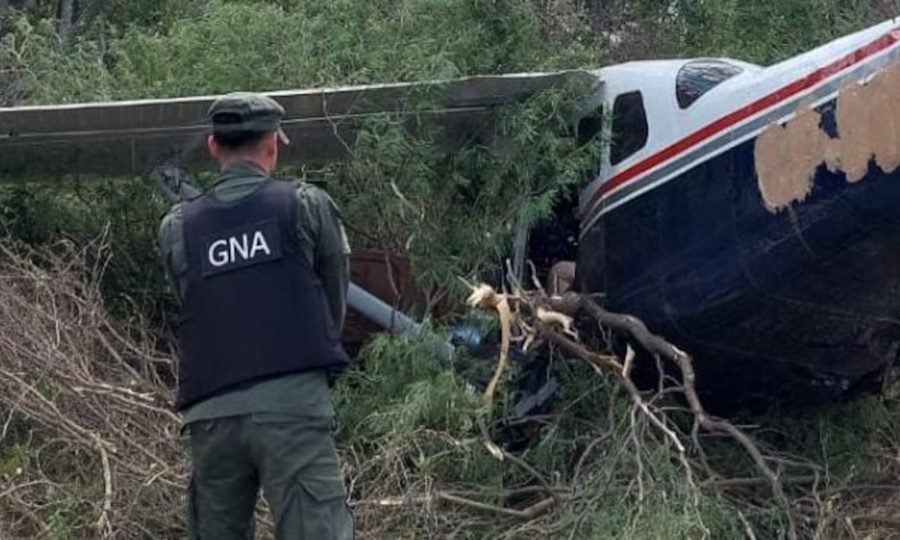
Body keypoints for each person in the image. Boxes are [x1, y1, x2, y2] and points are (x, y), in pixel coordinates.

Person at [157, 91, 354, 539]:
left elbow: (193, 301)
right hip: (293, 405)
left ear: (213, 147)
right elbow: (332, 300)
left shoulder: (177, 227)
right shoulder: (307, 205)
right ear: (273, 144)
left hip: (212, 415)